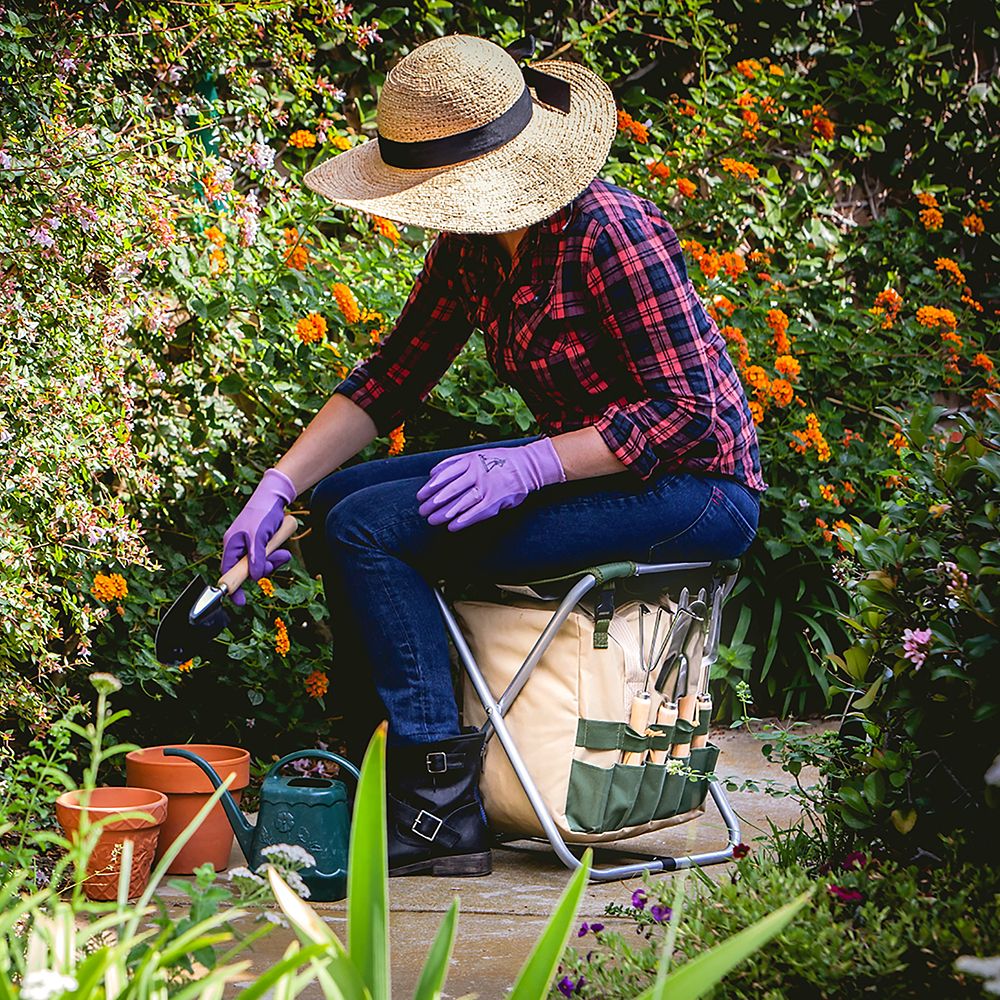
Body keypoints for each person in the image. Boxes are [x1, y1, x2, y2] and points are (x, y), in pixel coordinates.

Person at [221, 34, 765, 878]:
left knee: (371, 531)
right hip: (595, 463)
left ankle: (437, 806)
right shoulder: (474, 245)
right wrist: (279, 484)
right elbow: (394, 376)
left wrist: (533, 466)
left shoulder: (610, 232)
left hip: (695, 488)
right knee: (337, 505)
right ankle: (375, 764)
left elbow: (692, 414)